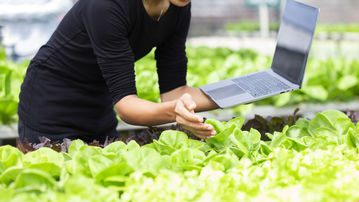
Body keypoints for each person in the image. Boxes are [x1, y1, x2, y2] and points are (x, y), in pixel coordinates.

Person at [18, 0, 218, 144]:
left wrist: (242, 91)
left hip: (99, 106)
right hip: (49, 106)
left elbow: (175, 92)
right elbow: (127, 107)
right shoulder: (106, 6)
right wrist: (175, 112)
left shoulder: (178, 6)